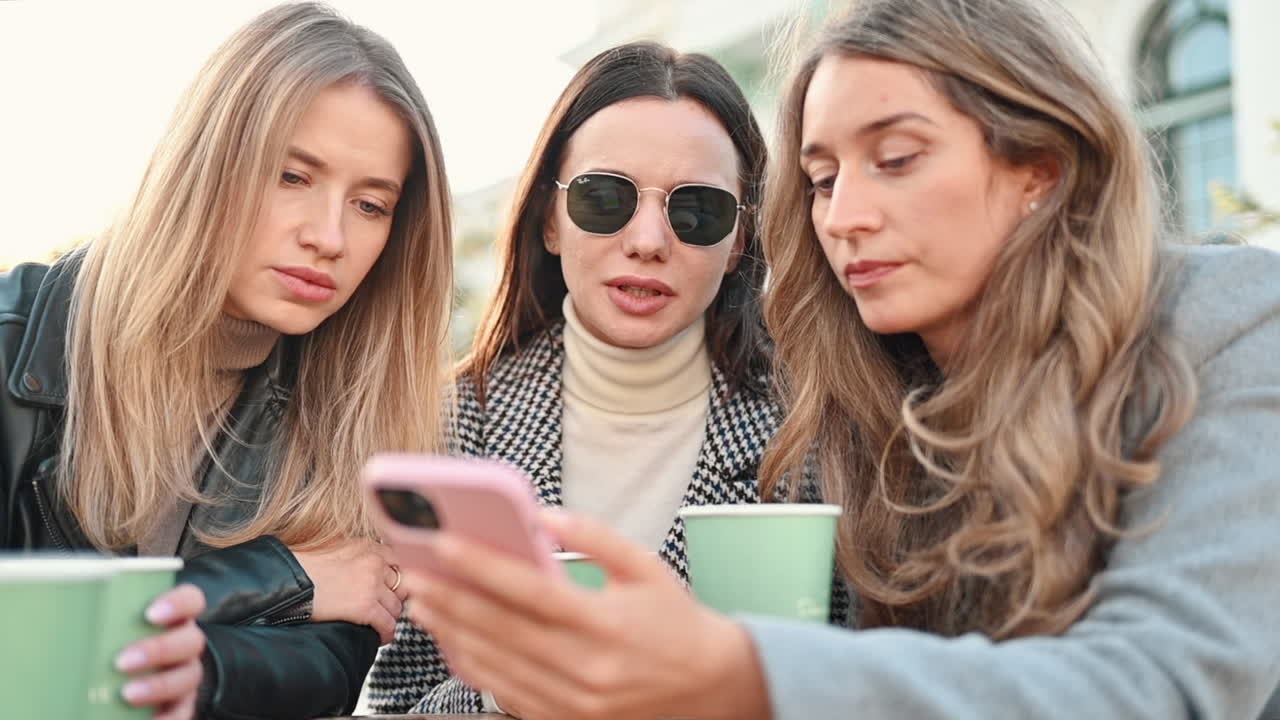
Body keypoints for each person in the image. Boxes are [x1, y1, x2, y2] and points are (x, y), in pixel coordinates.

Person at [395, 1, 1280, 719]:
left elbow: (1164, 685)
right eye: (820, 179)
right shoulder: (862, 392)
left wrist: (738, 670)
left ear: (1040, 167)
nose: (843, 215)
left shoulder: (1223, 321)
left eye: (895, 160)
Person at [0, 3, 455, 718]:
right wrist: (276, 579)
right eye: (292, 176)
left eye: (371, 205)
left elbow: (332, 661)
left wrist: (200, 666)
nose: (329, 236)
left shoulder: (358, 402)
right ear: (205, 162)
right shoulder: (13, 344)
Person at [365, 41, 782, 715]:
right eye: (604, 197)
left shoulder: (814, 437)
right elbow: (393, 704)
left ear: (739, 240)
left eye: (697, 209)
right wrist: (507, 691)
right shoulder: (445, 431)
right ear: (549, 220)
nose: (648, 240)